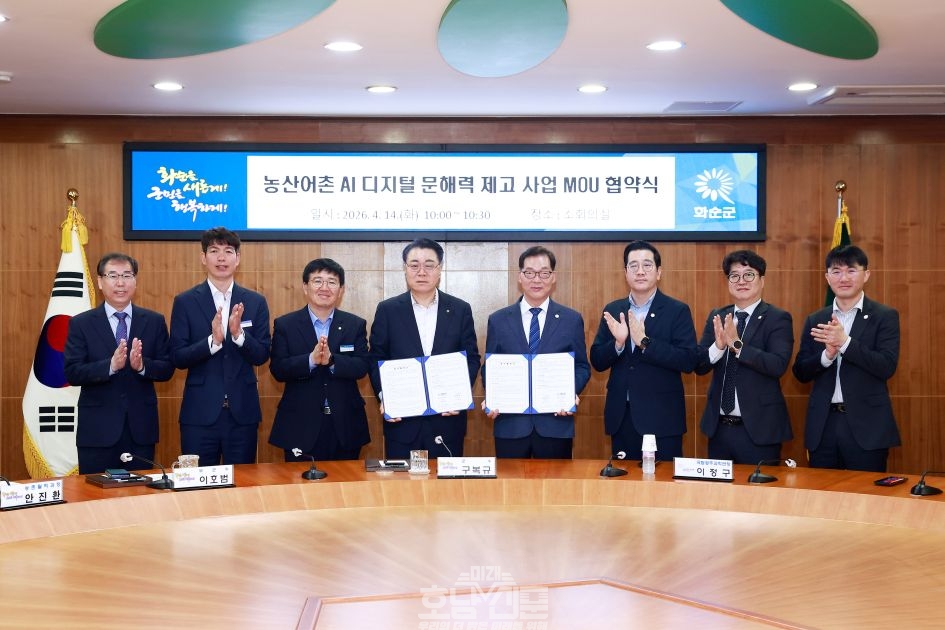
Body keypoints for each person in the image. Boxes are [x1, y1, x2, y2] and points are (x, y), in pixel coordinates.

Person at [368, 238, 480, 459]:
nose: (421, 272)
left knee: (446, 481)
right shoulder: (388, 310)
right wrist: (386, 397)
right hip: (402, 422)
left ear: (439, 269)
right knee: (403, 481)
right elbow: (376, 359)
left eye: (429, 265)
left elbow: (471, 359)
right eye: (414, 265)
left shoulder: (460, 309)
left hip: (447, 421)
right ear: (405, 269)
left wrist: (458, 397)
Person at [64, 253, 174, 474]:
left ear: (135, 280)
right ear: (100, 281)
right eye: (113, 276)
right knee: (95, 492)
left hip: (140, 431)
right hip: (97, 432)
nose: (120, 283)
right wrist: (111, 366)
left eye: (127, 275)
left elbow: (167, 368)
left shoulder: (154, 321)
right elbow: (72, 372)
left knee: (140, 491)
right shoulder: (81, 323)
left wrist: (142, 366)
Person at [793, 245, 900, 472]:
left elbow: (886, 366)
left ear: (866, 274)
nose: (843, 278)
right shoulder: (816, 319)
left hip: (867, 427)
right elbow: (800, 372)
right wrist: (826, 356)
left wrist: (845, 343)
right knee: (821, 492)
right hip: (823, 426)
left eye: (851, 270)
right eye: (836, 271)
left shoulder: (884, 316)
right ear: (827, 277)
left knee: (866, 492)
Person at [169, 227, 270, 466]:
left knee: (243, 483)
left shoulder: (255, 301)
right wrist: (212, 342)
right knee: (198, 483)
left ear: (238, 258)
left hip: (242, 414)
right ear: (203, 258)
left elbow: (262, 354)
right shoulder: (185, 301)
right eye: (214, 251)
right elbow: (178, 357)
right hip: (199, 414)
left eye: (228, 251)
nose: (221, 258)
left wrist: (238, 335)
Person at [590, 240, 700, 460]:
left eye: (647, 265)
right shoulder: (614, 309)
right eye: (633, 266)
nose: (640, 271)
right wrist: (618, 344)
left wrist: (645, 342)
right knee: (623, 480)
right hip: (622, 418)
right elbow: (597, 360)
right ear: (625, 273)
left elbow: (688, 360)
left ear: (658, 272)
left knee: (663, 481)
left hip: (662, 419)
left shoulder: (677, 310)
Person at [482, 246, 590, 458]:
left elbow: (581, 367)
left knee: (557, 481)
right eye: (529, 273)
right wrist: (493, 396)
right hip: (510, 424)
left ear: (553, 277)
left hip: (555, 424)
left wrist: (569, 392)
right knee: (509, 481)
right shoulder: (498, 320)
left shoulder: (571, 320)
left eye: (544, 273)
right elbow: (490, 367)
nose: (537, 279)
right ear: (520, 277)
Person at [695, 250, 794, 464]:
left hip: (760, 430)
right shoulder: (718, 317)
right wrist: (718, 346)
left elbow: (777, 365)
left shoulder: (777, 318)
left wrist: (737, 346)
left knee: (759, 486)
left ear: (762, 280)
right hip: (719, 429)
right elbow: (699, 365)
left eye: (749, 274)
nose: (741, 281)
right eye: (734, 276)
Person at [269, 258, 371, 461]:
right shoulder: (286, 325)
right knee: (298, 482)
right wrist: (310, 360)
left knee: (346, 481)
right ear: (305, 287)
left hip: (345, 424)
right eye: (318, 281)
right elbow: (278, 369)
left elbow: (362, 366)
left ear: (341, 290)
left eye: (332, 282)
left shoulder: (354, 324)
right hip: (299, 425)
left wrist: (332, 361)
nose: (325, 287)